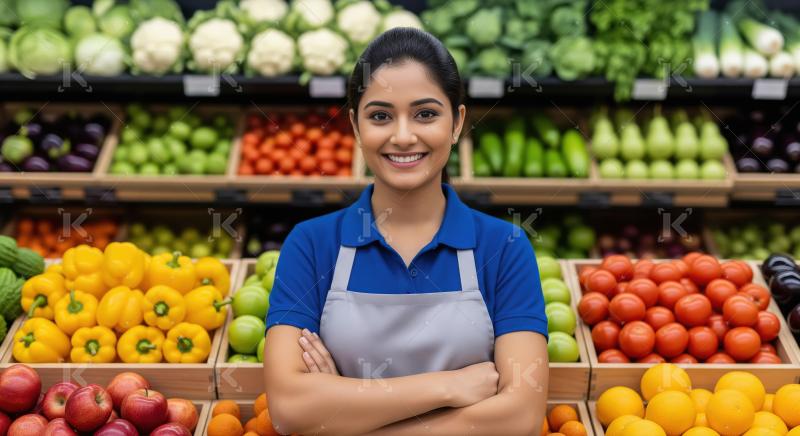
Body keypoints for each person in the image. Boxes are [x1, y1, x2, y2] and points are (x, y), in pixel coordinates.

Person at [263, 27, 549, 435]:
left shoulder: (504, 248)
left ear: (457, 122)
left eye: (426, 114)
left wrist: (345, 405)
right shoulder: (311, 245)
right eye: (380, 116)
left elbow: (519, 417)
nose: (402, 136)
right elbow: (289, 409)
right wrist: (450, 387)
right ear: (356, 128)